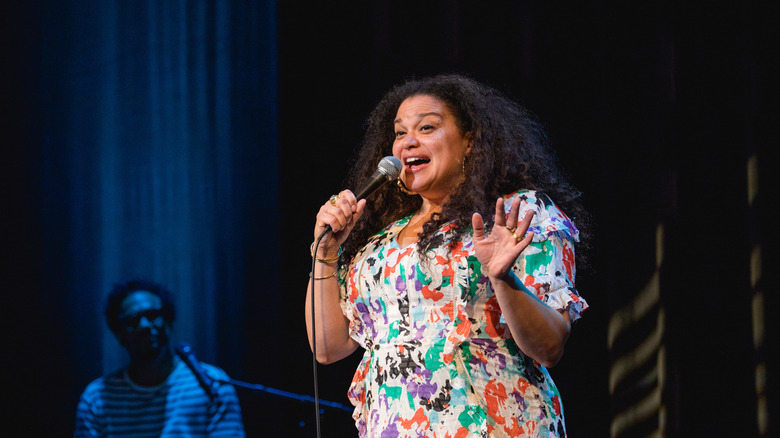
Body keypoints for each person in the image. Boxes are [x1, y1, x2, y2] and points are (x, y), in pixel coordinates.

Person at [305, 74, 589, 437]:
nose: (408, 142)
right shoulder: (379, 245)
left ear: (470, 141)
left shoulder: (515, 214)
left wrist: (503, 278)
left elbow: (549, 347)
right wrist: (326, 253)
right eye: (399, 132)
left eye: (427, 127)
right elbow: (328, 348)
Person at [74, 280, 246, 437]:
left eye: (152, 315)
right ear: (119, 333)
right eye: (133, 319)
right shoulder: (97, 398)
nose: (144, 326)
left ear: (169, 320)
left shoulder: (213, 384)